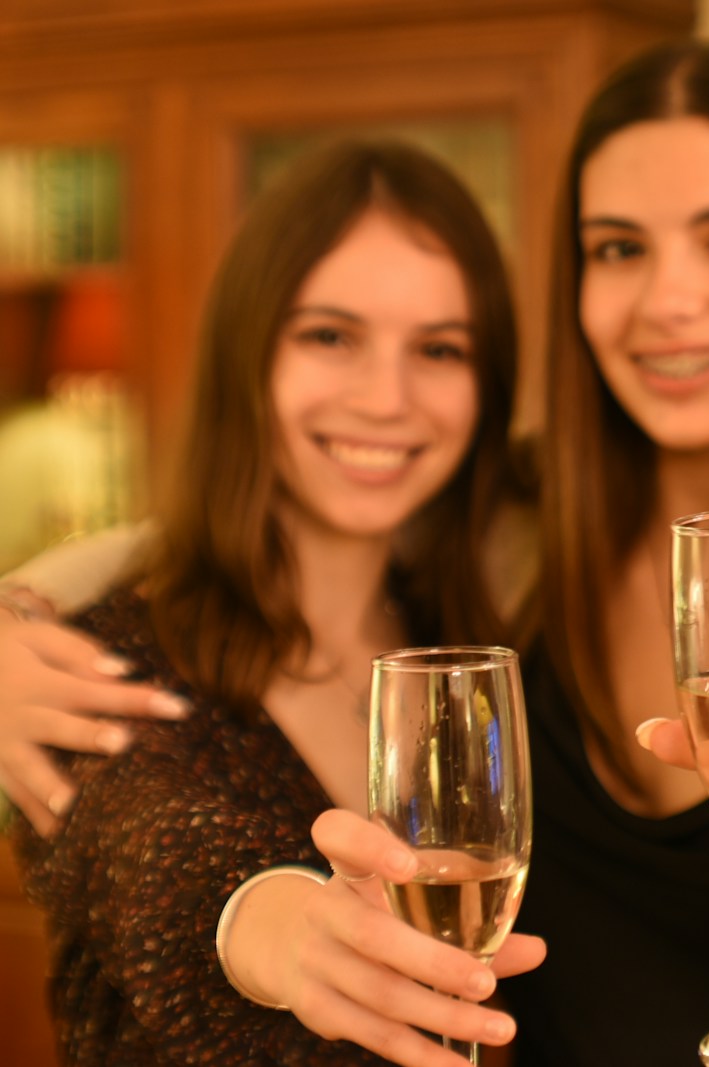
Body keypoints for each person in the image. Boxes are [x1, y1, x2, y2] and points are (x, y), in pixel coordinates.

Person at [1, 41, 709, 1067]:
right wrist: (13, 617)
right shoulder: (511, 529)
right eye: (617, 249)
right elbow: (257, 516)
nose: (666, 301)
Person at [5, 139, 545, 1064]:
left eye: (440, 348)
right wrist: (276, 928)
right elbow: (148, 850)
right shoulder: (92, 660)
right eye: (329, 335)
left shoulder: (476, 642)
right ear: (247, 355)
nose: (387, 396)